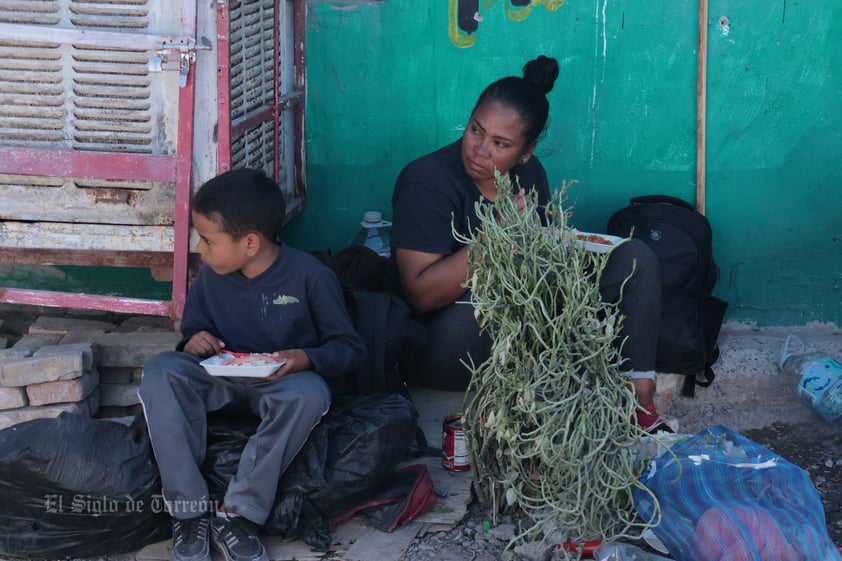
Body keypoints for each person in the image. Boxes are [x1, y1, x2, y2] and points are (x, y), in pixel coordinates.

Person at [385, 55, 669, 433]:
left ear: (525, 152)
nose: (479, 150)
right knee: (510, 304)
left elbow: (537, 257)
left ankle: (640, 408)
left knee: (635, 258)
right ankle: (563, 402)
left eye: (500, 143)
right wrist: (498, 235)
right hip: (442, 340)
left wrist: (566, 260)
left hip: (515, 333)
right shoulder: (426, 181)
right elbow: (420, 294)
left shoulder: (530, 174)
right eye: (475, 130)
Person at [139, 168, 365, 561]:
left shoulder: (310, 277)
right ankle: (189, 514)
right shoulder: (210, 277)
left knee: (311, 393)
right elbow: (192, 334)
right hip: (220, 381)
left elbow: (348, 348)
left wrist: (305, 359)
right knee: (161, 370)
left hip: (280, 384)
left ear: (249, 243)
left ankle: (238, 514)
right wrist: (194, 342)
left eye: (208, 240)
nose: (199, 248)